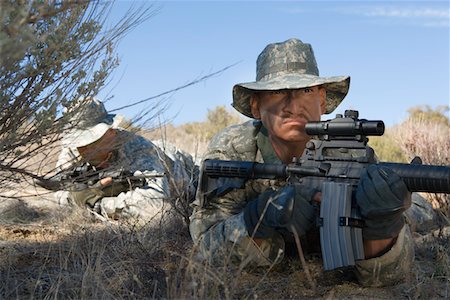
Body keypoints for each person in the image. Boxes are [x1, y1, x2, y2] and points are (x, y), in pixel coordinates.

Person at [189, 38, 414, 286]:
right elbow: (205, 244)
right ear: (256, 106)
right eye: (276, 91)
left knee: (406, 211)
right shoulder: (234, 148)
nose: (293, 106)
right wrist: (257, 220)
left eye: (305, 91)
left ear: (321, 99)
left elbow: (388, 275)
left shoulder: (348, 152)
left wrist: (382, 225)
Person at [53, 97, 197, 222]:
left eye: (91, 140)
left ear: (110, 132)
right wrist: (75, 197)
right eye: (79, 142)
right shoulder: (73, 150)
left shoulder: (139, 149)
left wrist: (97, 204)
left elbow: (155, 204)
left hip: (187, 172)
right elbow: (57, 191)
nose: (83, 148)